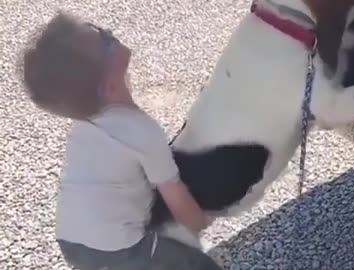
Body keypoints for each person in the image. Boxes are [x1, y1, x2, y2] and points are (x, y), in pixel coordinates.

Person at [20, 11, 223, 270]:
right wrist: (198, 222)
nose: (109, 33)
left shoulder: (83, 125)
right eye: (105, 40)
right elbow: (175, 194)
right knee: (197, 265)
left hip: (70, 241)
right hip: (119, 248)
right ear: (109, 87)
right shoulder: (142, 132)